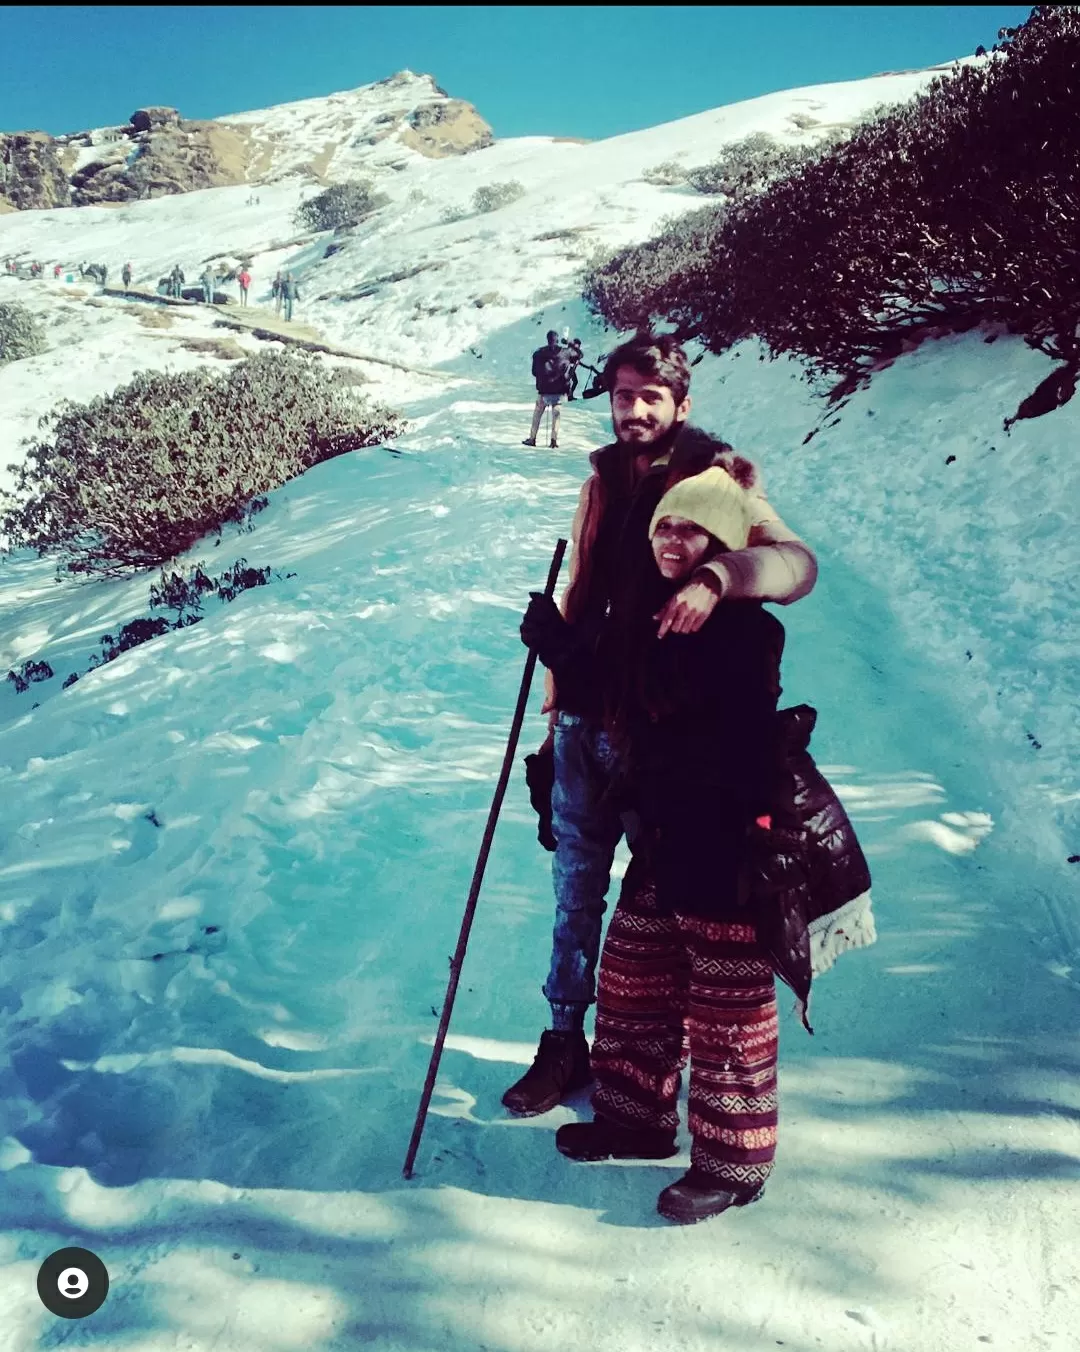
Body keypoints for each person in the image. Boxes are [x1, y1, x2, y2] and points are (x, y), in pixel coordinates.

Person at [527, 468, 873, 1223]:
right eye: (664, 527)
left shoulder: (748, 632)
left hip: (726, 852)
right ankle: (636, 1118)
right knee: (633, 977)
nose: (671, 541)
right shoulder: (656, 612)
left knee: (727, 1011)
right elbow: (621, 682)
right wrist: (558, 644)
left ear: (722, 545)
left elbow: (689, 712)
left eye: (691, 530)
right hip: (664, 841)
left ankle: (733, 1164)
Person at [502, 331, 818, 1118]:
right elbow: (584, 592)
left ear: (682, 403)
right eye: (622, 396)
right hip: (583, 717)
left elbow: (797, 564)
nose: (635, 411)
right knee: (574, 888)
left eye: (651, 397)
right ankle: (566, 1040)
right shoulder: (602, 476)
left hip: (662, 738)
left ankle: (648, 1057)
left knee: (669, 906)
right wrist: (555, 689)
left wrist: (719, 575)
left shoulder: (719, 476)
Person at [523, 330, 573, 449]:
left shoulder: (539, 353)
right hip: (560, 390)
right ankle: (553, 441)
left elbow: (534, 372)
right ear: (557, 339)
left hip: (544, 390)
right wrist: (569, 342)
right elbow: (579, 354)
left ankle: (532, 438)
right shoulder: (565, 352)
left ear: (547, 339)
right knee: (556, 415)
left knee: (537, 414)